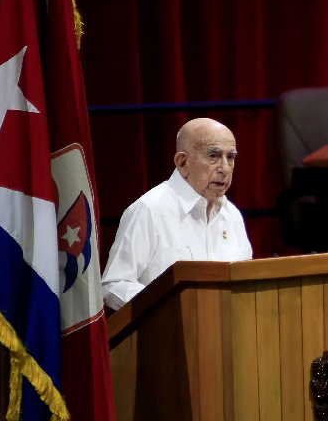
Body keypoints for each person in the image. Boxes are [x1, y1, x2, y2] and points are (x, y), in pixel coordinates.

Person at [102, 118, 252, 310]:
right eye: (213, 156)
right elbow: (114, 284)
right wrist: (169, 308)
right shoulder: (149, 209)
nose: (224, 168)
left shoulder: (232, 215)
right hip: (167, 333)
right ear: (182, 162)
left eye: (230, 157)